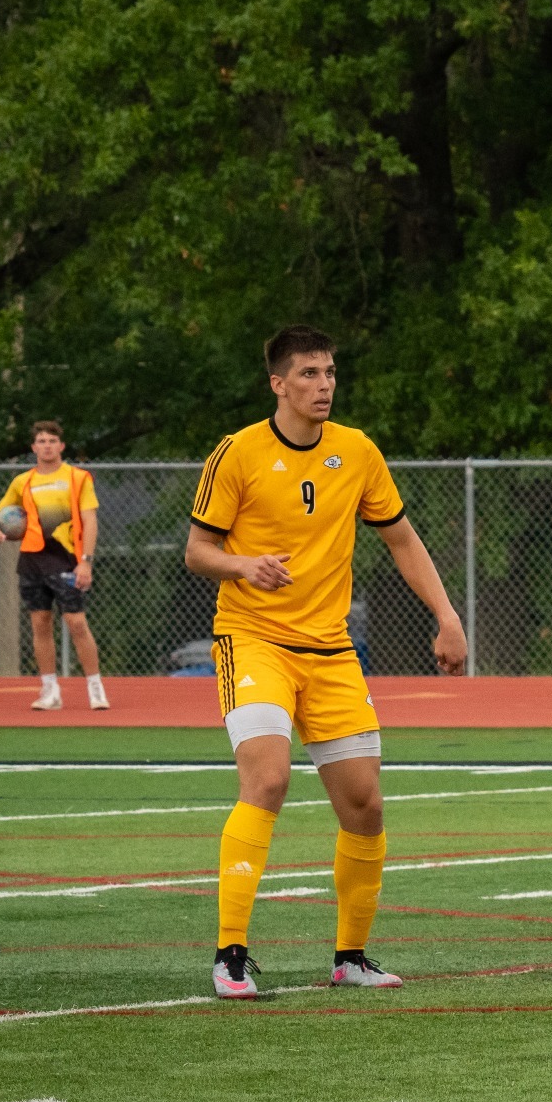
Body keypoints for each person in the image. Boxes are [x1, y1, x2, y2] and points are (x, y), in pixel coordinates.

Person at [183, 326, 466, 999]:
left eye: (330, 372)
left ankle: (351, 956)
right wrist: (242, 563)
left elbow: (400, 536)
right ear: (278, 384)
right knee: (270, 778)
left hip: (331, 649)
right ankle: (230, 954)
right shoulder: (238, 453)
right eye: (308, 374)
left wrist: (447, 615)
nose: (324, 384)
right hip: (251, 639)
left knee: (365, 804)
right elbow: (197, 551)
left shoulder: (357, 450)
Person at [0, 421, 109, 711]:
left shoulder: (77, 478)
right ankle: (50, 690)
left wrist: (86, 562)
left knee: (76, 623)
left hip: (66, 558)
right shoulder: (23, 481)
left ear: (61, 446)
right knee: (40, 624)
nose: (47, 445)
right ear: (33, 447)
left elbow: (90, 520)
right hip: (32, 560)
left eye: (52, 440)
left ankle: (95, 687)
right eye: (41, 441)